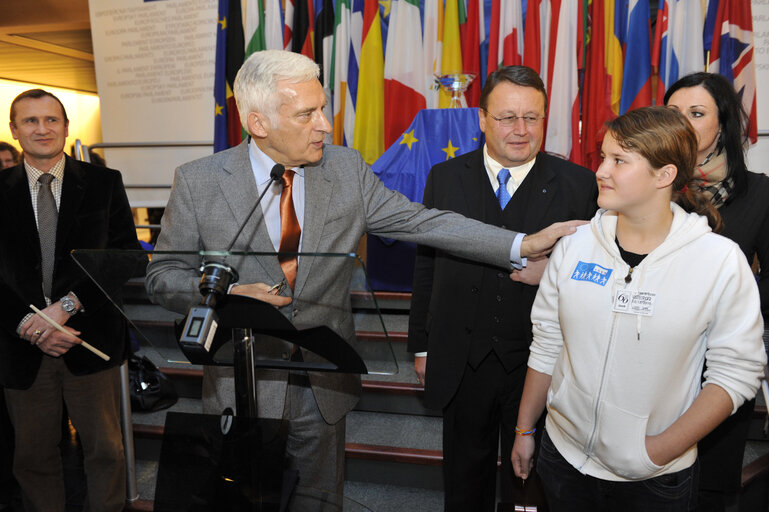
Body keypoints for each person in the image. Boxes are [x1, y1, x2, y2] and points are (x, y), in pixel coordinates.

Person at [144, 49, 584, 500]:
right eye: (307, 114)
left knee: (319, 501)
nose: (324, 124)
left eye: (323, 108)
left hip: (323, 384)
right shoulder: (199, 182)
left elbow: (424, 222)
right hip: (241, 384)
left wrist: (520, 245)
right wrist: (230, 293)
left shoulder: (346, 169)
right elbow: (163, 275)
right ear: (259, 123)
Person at [511, 106, 766, 511]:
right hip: (562, 458)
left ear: (664, 176)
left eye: (619, 161)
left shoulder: (719, 262)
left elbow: (736, 373)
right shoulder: (576, 246)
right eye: (603, 156)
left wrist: (658, 451)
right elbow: (547, 343)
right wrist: (526, 428)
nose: (600, 170)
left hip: (655, 479)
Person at [407, 65, 597, 510]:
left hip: (539, 365)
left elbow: (594, 274)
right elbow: (426, 264)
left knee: (529, 488)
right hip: (461, 360)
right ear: (481, 118)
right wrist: (422, 345)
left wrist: (551, 271)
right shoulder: (445, 177)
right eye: (507, 117)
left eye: (532, 118)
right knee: (463, 484)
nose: (520, 130)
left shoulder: (579, 184)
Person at [0, 89, 142, 512]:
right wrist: (28, 325)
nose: (42, 129)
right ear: (14, 130)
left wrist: (66, 307)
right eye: (30, 121)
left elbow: (125, 257)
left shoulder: (103, 182)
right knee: (33, 457)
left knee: (106, 452)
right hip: (21, 345)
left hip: (89, 337)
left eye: (51, 120)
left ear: (65, 126)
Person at [665, 72, 769, 511]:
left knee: (709, 493)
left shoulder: (760, 193)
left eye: (696, 113)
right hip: (651, 366)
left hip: (721, 371)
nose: (683, 123)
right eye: (673, 113)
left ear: (722, 124)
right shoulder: (648, 185)